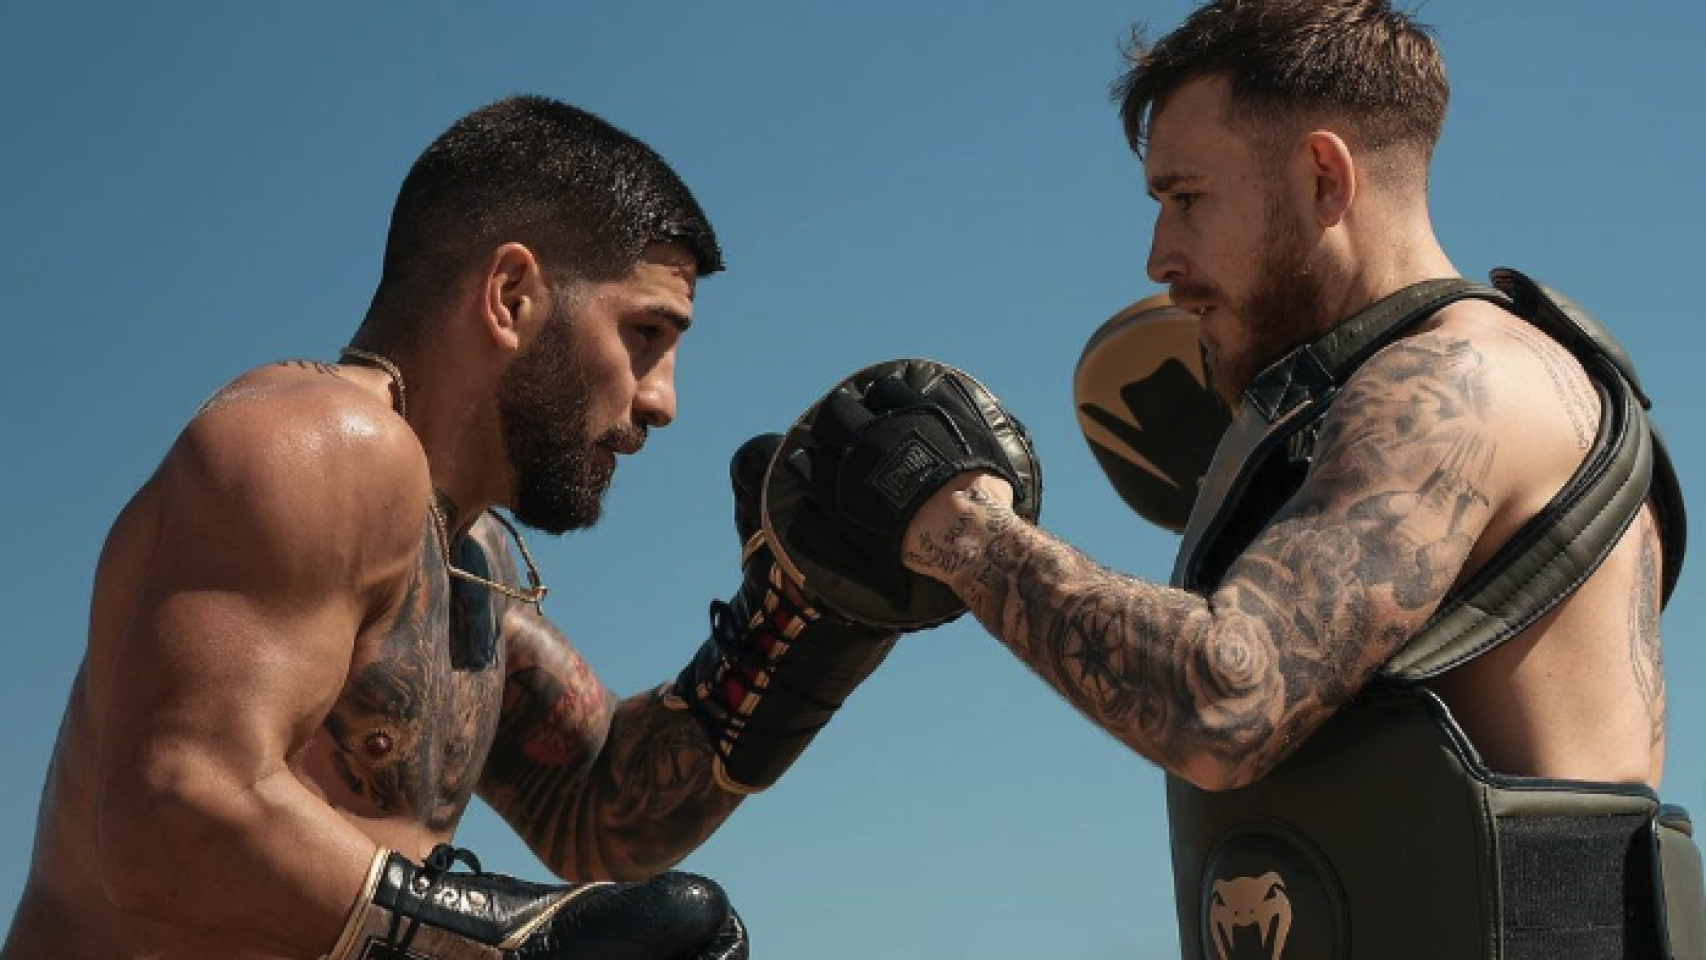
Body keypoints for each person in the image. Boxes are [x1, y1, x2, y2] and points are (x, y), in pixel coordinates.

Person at [778, 1, 1702, 956]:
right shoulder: (1379, 396)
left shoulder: (1457, 385)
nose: (1158, 260)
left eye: (1188, 199)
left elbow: (1225, 699)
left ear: (1321, 178)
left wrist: (958, 527)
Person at [1, 95, 900, 960]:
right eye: (644, 334)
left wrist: (799, 628)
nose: (661, 400)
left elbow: (599, 803)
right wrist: (514, 943)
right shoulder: (316, 444)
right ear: (511, 294)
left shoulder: (472, 558)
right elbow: (173, 814)